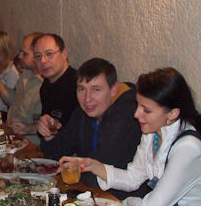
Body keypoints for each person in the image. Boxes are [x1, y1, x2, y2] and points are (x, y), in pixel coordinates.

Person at [65, 67, 201, 206]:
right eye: (138, 106)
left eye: (146, 110)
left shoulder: (188, 148)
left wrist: (124, 203)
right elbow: (133, 177)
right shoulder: (153, 133)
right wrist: (92, 165)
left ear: (172, 114)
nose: (137, 114)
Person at [41, 58, 141, 188]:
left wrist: (72, 166)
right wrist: (49, 135)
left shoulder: (127, 117)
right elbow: (57, 154)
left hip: (120, 196)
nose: (87, 99)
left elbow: (98, 172)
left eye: (96, 89)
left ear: (113, 90)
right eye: (82, 89)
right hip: (90, 191)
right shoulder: (83, 113)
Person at [0, 32, 43, 145]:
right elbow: (15, 101)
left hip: (30, 144)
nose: (19, 56)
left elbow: (43, 127)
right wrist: (2, 89)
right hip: (13, 138)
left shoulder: (44, 84)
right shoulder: (26, 74)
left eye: (24, 53)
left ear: (38, 55)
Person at [33, 33, 78, 130]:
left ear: (64, 54)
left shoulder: (78, 86)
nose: (43, 60)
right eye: (38, 56)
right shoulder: (46, 85)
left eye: (49, 54)